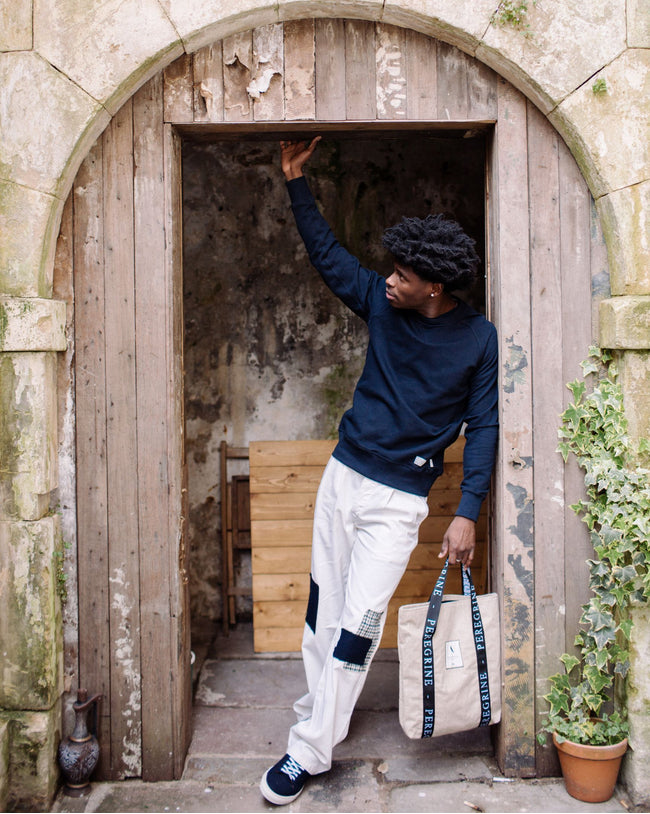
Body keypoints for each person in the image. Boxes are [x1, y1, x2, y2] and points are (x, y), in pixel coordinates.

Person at [260, 138, 499, 806]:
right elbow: (330, 257)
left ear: (436, 286)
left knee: (357, 627)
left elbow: (484, 428)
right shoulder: (380, 303)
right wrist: (295, 181)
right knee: (321, 615)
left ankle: (307, 752)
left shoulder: (477, 341)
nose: (390, 279)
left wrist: (468, 511)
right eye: (391, 269)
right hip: (341, 478)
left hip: (398, 505)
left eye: (403, 274)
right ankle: (319, 725)